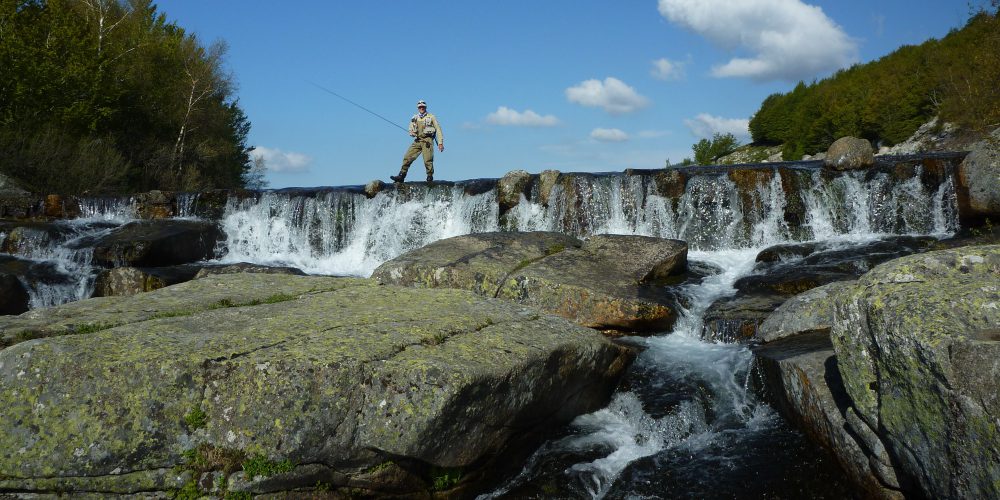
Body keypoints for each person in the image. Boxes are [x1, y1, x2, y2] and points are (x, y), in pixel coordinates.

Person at [391, 100, 444, 183]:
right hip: (418, 140)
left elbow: (438, 129)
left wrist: (440, 143)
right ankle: (401, 175)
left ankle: (429, 176)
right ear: (418, 108)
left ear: (425, 107)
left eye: (423, 107)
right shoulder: (415, 117)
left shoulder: (431, 117)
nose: (421, 108)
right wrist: (411, 133)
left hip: (427, 140)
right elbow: (410, 129)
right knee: (407, 157)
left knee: (428, 160)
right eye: (420, 107)